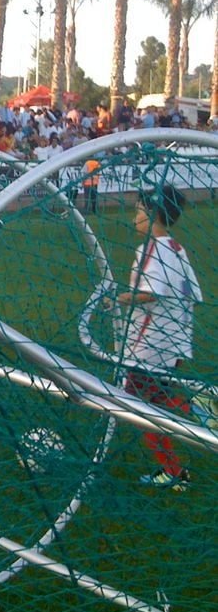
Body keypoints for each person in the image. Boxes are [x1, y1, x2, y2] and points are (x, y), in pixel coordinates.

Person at [117, 186, 201, 491]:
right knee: (154, 401)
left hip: (151, 346)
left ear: (153, 213)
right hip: (172, 342)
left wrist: (122, 298)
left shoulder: (154, 248)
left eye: (139, 210)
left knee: (138, 406)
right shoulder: (176, 247)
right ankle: (176, 468)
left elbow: (151, 291)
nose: (135, 217)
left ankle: (199, 415)